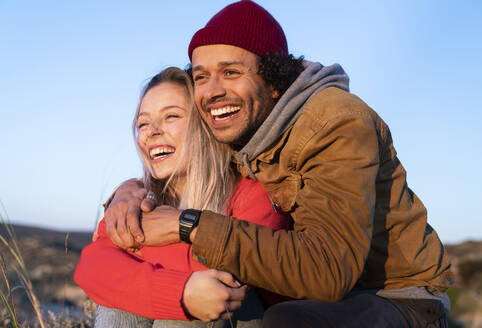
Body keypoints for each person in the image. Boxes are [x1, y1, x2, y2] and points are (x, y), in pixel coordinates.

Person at [105, 1, 454, 326]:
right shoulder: (236, 121)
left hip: (390, 293)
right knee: (136, 303)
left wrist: (188, 225)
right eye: (201, 76)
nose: (211, 91)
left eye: (230, 72)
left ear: (273, 80)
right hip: (283, 286)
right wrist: (129, 192)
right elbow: (180, 158)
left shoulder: (338, 122)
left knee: (287, 322)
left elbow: (327, 272)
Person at [74, 67, 291, 327]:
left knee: (191, 308)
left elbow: (225, 279)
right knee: (121, 306)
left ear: (205, 125)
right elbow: (90, 267)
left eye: (171, 116)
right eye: (143, 123)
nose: (152, 131)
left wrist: (134, 247)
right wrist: (179, 292)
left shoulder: (253, 193)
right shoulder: (139, 199)